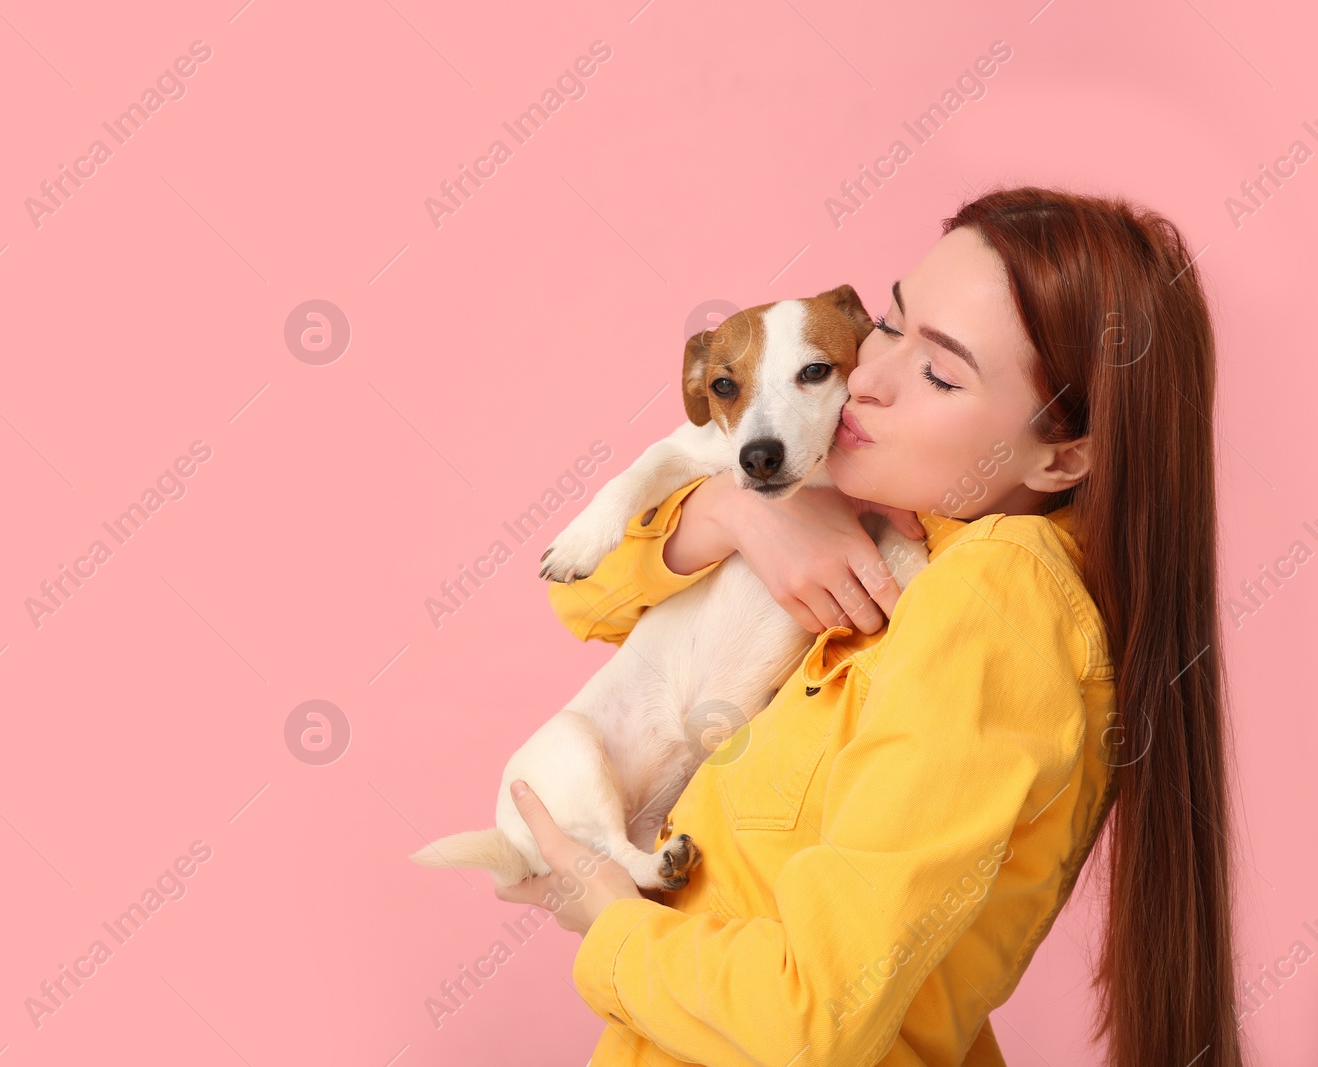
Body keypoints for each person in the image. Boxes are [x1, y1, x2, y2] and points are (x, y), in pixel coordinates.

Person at [494, 185, 1243, 1067]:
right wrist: (739, 516)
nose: (866, 381)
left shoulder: (994, 599)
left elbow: (812, 1020)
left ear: (1063, 454)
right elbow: (581, 596)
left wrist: (607, 919)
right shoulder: (896, 534)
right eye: (889, 324)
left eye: (940, 372)